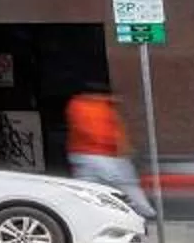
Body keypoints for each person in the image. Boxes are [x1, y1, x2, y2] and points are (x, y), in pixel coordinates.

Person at [65, 86, 153, 221]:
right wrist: (121, 147)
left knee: (86, 186)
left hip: (82, 153)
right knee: (125, 183)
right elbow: (101, 133)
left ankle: (81, 214)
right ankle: (144, 211)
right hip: (105, 155)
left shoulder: (78, 105)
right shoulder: (100, 107)